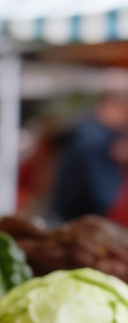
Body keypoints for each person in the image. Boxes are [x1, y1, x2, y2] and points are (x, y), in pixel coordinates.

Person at [51, 85, 128, 223]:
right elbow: (105, 198)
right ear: (117, 106)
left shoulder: (86, 129)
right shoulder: (96, 141)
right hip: (81, 224)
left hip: (68, 217)